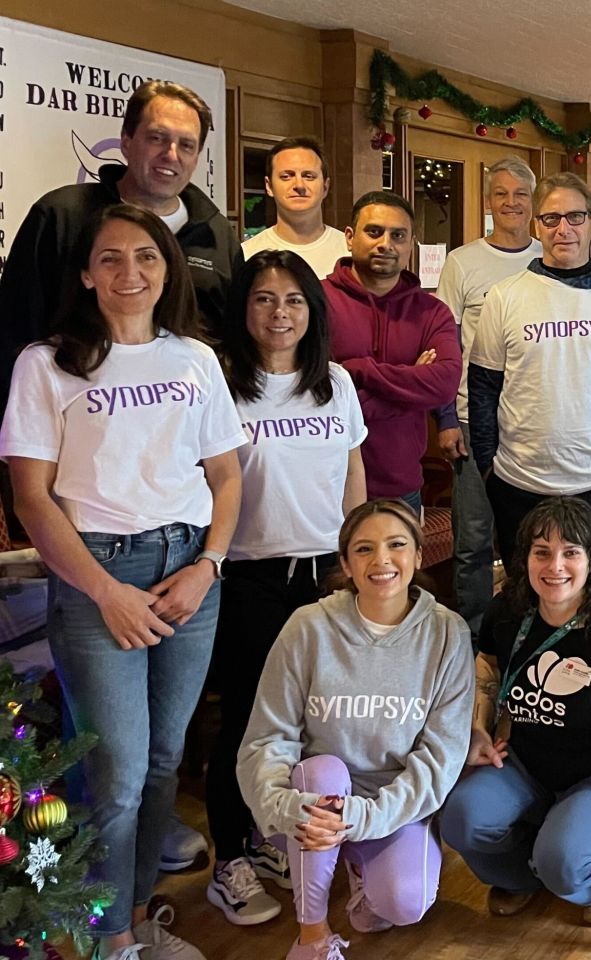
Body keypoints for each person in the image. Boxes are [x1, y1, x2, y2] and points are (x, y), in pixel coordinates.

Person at [0, 205, 245, 960]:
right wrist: (106, 590)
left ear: (168, 268)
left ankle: (138, 920)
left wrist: (208, 566)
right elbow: (32, 497)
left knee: (167, 757)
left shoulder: (195, 361)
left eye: (146, 256)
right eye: (110, 258)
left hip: (187, 572)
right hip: (97, 572)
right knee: (116, 768)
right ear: (84, 272)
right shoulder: (47, 364)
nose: (129, 272)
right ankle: (104, 940)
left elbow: (227, 475)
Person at [439, 497, 591, 960]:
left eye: (571, 552)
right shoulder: (507, 612)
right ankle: (527, 874)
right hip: (526, 765)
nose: (555, 566)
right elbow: (487, 664)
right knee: (461, 818)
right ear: (524, 557)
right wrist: (479, 728)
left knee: (565, 865)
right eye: (541, 552)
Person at [204, 250, 367, 925]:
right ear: (245, 309)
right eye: (265, 299)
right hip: (249, 575)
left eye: (294, 299)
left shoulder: (333, 382)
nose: (280, 313)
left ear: (313, 310)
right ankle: (230, 856)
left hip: (325, 574)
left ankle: (282, 837)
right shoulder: (221, 383)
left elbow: (353, 471)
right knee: (247, 718)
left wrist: (358, 558)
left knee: (319, 719)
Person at [237, 499, 473, 960]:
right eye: (364, 549)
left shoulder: (448, 634)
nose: (382, 561)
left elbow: (440, 759)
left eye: (396, 545)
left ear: (418, 555)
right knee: (323, 776)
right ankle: (313, 935)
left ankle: (362, 874)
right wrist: (285, 806)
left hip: (389, 804)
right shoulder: (307, 627)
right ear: (345, 564)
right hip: (314, 801)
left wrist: (363, 819)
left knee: (405, 904)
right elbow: (267, 739)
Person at [0, 80, 241, 415]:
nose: (170, 155)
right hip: (72, 430)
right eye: (157, 138)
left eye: (186, 145)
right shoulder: (62, 216)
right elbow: (14, 330)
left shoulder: (216, 234)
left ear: (197, 156)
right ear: (127, 142)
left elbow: (232, 341)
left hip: (185, 437)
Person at [468, 172, 591, 568]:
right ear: (537, 225)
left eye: (575, 217)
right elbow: (483, 388)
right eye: (551, 219)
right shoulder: (506, 296)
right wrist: (488, 466)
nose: (564, 229)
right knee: (528, 597)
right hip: (521, 483)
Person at [434, 157, 542, 632]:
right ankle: (473, 638)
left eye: (520, 193)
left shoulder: (551, 258)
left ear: (533, 201)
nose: (511, 202)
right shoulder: (463, 263)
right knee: (473, 540)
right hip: (472, 421)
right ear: (488, 201)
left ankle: (529, 629)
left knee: (533, 538)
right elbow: (441, 346)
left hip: (536, 424)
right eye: (501, 193)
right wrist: (446, 419)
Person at [325, 190, 462, 509]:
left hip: (401, 489)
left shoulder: (432, 313)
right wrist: (411, 384)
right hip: (325, 485)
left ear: (411, 244)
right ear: (349, 236)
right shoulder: (315, 301)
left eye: (398, 235)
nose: (385, 243)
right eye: (374, 232)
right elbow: (316, 396)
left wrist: (355, 370)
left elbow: (443, 386)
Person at [241, 137, 349, 278]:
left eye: (309, 176)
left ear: (325, 187)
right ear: (269, 186)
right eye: (286, 176)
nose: (299, 185)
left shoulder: (350, 252)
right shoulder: (247, 254)